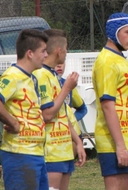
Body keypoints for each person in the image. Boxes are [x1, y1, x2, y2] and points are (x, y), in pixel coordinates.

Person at [92, 12, 128, 190]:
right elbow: (108, 107)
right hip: (114, 144)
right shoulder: (106, 62)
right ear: (114, 32)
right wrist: (120, 146)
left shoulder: (120, 59)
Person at [33, 29, 86, 190]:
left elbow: (62, 114)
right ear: (59, 50)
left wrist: (77, 142)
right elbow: (47, 114)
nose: (66, 53)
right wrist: (67, 88)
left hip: (64, 151)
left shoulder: (54, 76)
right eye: (66, 48)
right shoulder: (41, 75)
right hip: (50, 152)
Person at [0, 29, 49, 190]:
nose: (46, 55)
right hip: (19, 155)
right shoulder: (12, 76)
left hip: (35, 154)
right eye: (43, 51)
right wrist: (13, 123)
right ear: (30, 53)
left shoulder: (31, 78)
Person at [55, 62, 88, 156]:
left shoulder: (69, 85)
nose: (59, 65)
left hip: (70, 137)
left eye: (62, 62)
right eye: (56, 61)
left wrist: (72, 119)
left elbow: (83, 109)